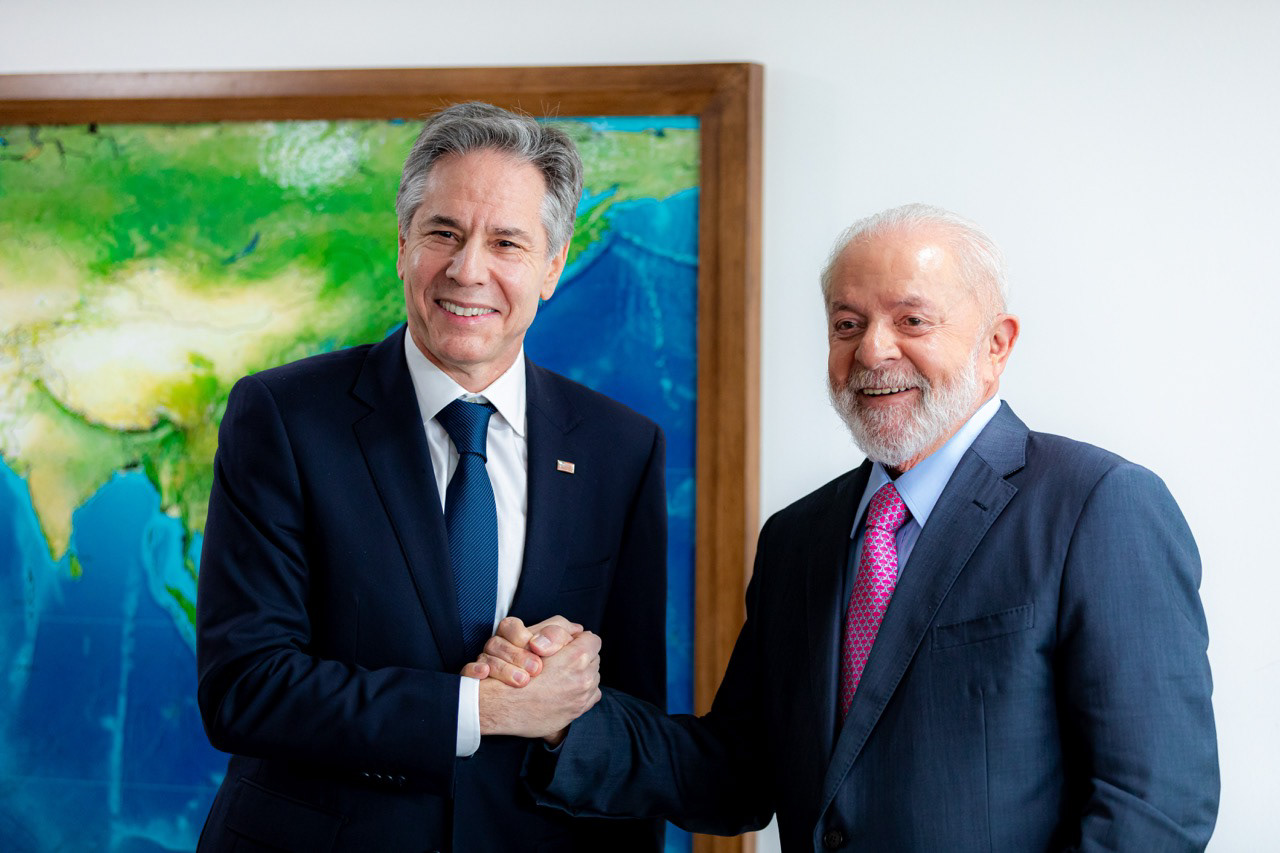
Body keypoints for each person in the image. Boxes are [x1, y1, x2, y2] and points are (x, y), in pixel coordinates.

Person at [485, 204, 1220, 851]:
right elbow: (737, 772)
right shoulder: (798, 538)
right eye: (847, 323)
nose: (872, 350)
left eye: (912, 320)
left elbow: (1155, 806)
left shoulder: (1100, 504)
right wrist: (562, 713)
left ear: (997, 344)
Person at [195, 102, 667, 852]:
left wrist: (567, 697)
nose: (467, 268)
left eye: (506, 241)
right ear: (403, 246)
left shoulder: (621, 447)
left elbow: (630, 722)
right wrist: (479, 708)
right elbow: (245, 687)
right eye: (443, 232)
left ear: (551, 267)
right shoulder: (282, 417)